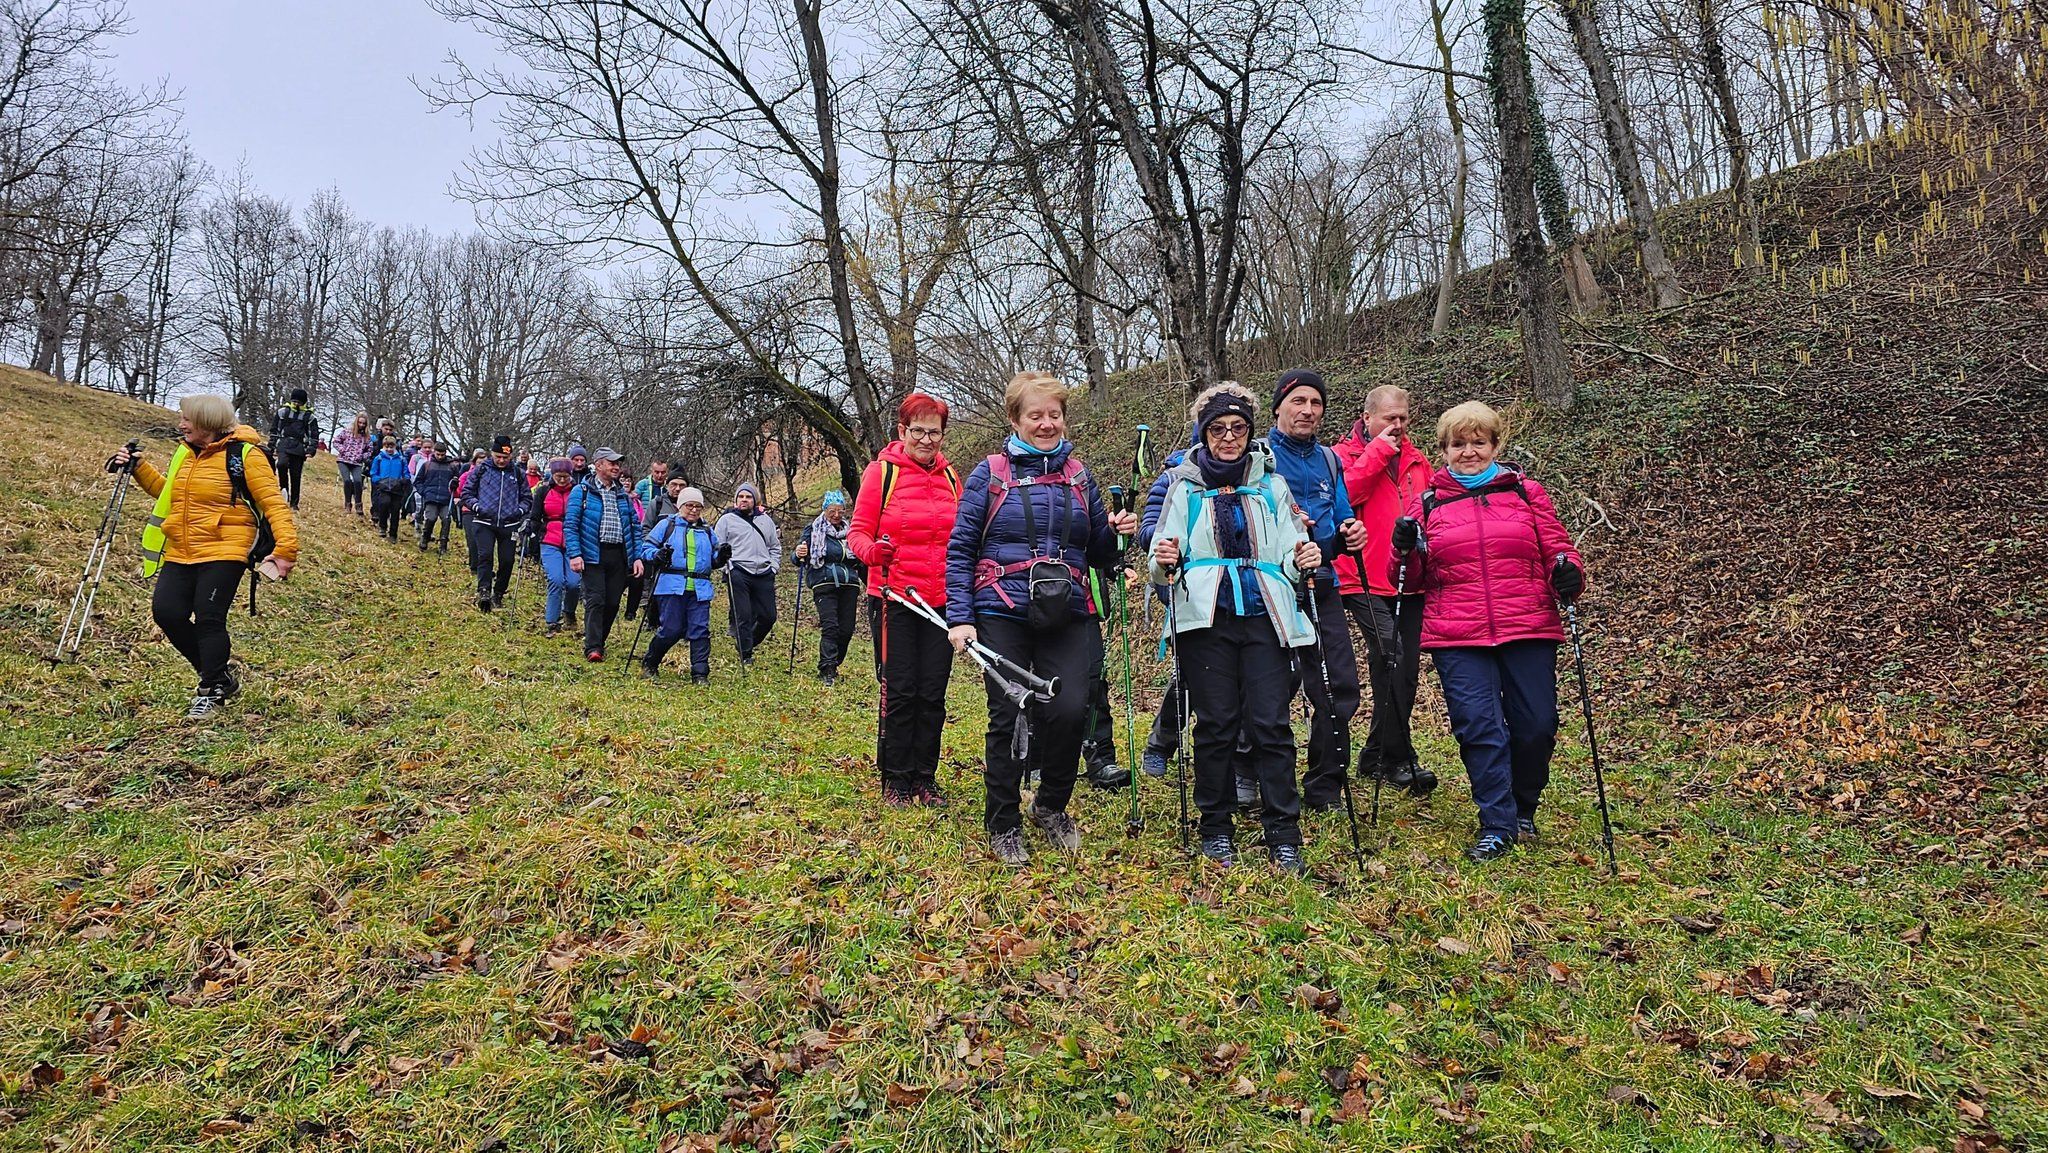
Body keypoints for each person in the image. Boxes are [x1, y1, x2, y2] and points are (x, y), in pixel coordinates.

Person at [946, 371, 1135, 866]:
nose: (1047, 423)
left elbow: (1097, 549)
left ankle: (1050, 804)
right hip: (1000, 610)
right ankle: (1003, 821)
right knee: (1008, 715)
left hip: (1068, 608)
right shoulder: (988, 475)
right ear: (1015, 420)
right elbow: (961, 548)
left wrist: (1118, 539)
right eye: (1036, 415)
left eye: (1055, 414)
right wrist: (960, 618)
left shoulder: (1079, 476)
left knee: (1073, 709)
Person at [1391, 401, 1585, 862]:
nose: (1469, 451)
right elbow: (1408, 577)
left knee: (1536, 725)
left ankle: (1523, 807)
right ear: (1444, 450)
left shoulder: (1525, 493)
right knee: (1479, 727)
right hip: (1458, 632)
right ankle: (1497, 822)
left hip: (1528, 623)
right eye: (1458, 444)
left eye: (1479, 442)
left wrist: (1568, 572)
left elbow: (1558, 548)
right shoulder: (1427, 503)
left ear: (1496, 445)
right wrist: (1404, 550)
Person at [1149, 382, 1321, 874]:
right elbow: (1164, 560)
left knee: (1271, 725)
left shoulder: (1271, 484)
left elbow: (1290, 548)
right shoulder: (1184, 487)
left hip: (1267, 618)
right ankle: (1216, 829)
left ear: (1249, 432)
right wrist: (1166, 559)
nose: (1229, 437)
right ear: (1203, 434)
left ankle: (1283, 832)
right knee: (1217, 725)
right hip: (1207, 619)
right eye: (1218, 429)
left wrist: (1302, 556)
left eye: (1238, 428)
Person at [111, 395, 299, 718]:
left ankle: (210, 690)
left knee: (209, 617)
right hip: (182, 549)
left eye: (188, 419)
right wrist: (138, 468)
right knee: (166, 612)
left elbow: (274, 506)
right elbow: (166, 491)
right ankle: (219, 675)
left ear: (208, 423)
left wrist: (285, 551)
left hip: (226, 549)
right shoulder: (186, 455)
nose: (181, 424)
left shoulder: (245, 456)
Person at [848, 393, 961, 806]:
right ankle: (895, 778)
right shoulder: (881, 475)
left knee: (932, 692)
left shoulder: (951, 480)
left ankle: (924, 779)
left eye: (935, 432)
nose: (927, 439)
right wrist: (873, 552)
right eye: (919, 431)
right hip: (894, 597)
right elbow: (857, 533)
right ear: (902, 432)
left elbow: (962, 540)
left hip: (941, 603)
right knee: (900, 690)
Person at [1264, 368, 1368, 812]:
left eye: (1316, 403)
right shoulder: (1258, 454)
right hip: (1271, 587)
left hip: (1322, 583)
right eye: (1298, 402)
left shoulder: (1329, 459)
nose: (1308, 411)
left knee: (1339, 685)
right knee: (1272, 689)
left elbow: (1341, 513)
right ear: (1278, 408)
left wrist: (1351, 531)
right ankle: (1259, 778)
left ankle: (1325, 785)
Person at [1334, 384, 1439, 798]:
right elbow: (1346, 495)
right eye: (1389, 418)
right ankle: (1397, 756)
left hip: (1407, 580)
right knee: (1392, 653)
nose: (1397, 426)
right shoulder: (1343, 455)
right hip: (1360, 577)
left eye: (1403, 418)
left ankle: (1379, 753)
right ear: (1368, 417)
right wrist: (1378, 451)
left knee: (1399, 669)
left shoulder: (1417, 461)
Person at [562, 447, 644, 660]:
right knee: (596, 599)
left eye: (618, 463)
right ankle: (593, 647)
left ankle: (600, 640)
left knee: (613, 602)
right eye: (612, 463)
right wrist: (575, 553)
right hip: (592, 553)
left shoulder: (623, 495)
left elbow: (635, 527)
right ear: (598, 465)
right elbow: (570, 525)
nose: (616, 467)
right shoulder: (582, 491)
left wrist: (637, 557)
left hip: (619, 555)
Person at [638, 486, 726, 681]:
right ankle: (650, 662)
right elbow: (646, 549)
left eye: (698, 506)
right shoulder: (666, 525)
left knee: (700, 630)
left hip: (700, 588)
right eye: (689, 505)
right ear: (680, 506)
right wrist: (657, 555)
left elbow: (713, 557)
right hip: (671, 586)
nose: (694, 510)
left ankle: (700, 674)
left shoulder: (707, 530)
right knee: (672, 629)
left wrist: (721, 557)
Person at [795, 490, 863, 684]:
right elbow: (798, 558)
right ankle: (827, 669)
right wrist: (799, 552)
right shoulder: (814, 529)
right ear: (824, 509)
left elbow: (859, 558)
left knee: (847, 630)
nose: (836, 515)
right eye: (832, 511)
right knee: (831, 626)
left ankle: (834, 661)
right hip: (824, 583)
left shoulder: (851, 531)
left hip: (849, 584)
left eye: (840, 511)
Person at [462, 435, 534, 612]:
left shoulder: (518, 473)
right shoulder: (481, 470)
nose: (501, 460)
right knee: (485, 555)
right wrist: (477, 506)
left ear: (510, 457)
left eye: (505, 457)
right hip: (483, 520)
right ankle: (484, 590)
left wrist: (519, 511)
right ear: (492, 455)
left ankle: (499, 593)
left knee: (507, 560)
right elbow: (466, 493)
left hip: (509, 524)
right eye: (498, 457)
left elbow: (527, 498)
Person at [715, 482, 781, 666]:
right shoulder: (726, 520)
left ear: (754, 500)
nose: (744, 500)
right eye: (741, 497)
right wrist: (727, 567)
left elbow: (774, 546)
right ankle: (746, 654)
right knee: (743, 615)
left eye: (748, 497)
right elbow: (717, 546)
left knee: (769, 616)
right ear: (736, 500)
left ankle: (749, 641)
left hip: (763, 572)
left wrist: (773, 567)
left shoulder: (765, 520)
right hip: (738, 571)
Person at [527, 458, 583, 635]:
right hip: (550, 541)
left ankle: (569, 612)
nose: (562, 480)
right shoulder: (543, 491)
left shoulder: (578, 491)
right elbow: (535, 516)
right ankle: (552, 620)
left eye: (565, 476)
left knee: (574, 583)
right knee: (556, 579)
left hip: (573, 542)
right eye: (559, 476)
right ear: (553, 474)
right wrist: (531, 529)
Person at [268, 387, 319, 509]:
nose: (296, 404)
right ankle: (284, 491)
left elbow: (313, 435)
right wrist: (272, 445)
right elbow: (275, 429)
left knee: (295, 475)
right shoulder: (282, 413)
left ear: (303, 402)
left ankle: (294, 503)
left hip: (299, 447)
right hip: (283, 444)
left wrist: (311, 449)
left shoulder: (309, 417)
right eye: (294, 401)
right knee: (281, 465)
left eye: (299, 402)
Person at [412, 442, 457, 553]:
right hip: (430, 497)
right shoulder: (427, 465)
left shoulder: (452, 466)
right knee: (430, 518)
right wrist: (424, 492)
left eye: (442, 455)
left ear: (445, 453)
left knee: (446, 520)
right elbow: (418, 481)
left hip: (446, 499)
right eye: (438, 454)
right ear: (434, 452)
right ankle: (425, 538)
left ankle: (443, 544)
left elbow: (458, 481)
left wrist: (455, 485)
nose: (440, 457)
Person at [367, 440, 410, 542]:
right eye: (387, 447)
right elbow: (373, 472)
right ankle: (382, 526)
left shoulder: (401, 459)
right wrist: (378, 481)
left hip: (397, 489)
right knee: (384, 504)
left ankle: (393, 534)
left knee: (395, 511)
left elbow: (406, 473)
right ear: (384, 446)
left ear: (395, 447)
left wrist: (403, 480)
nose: (390, 449)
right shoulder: (379, 458)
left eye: (392, 447)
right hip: (384, 487)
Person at [332, 413, 373, 517]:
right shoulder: (347, 431)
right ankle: (347, 504)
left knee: (358, 481)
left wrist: (363, 456)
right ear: (356, 422)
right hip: (343, 460)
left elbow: (370, 450)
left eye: (363, 423)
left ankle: (358, 504)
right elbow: (336, 441)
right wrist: (343, 450)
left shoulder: (367, 437)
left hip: (357, 463)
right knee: (347, 481)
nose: (361, 425)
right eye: (360, 422)